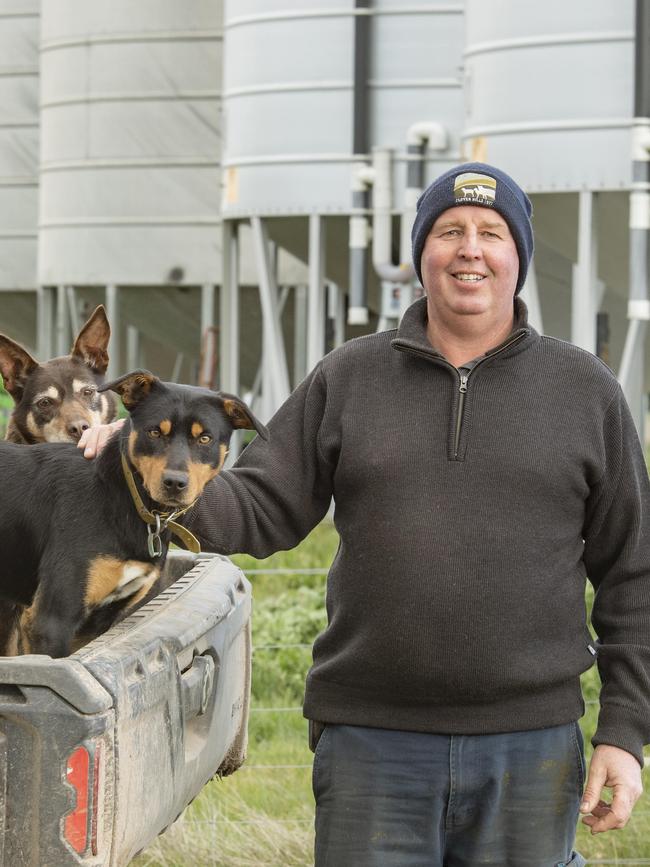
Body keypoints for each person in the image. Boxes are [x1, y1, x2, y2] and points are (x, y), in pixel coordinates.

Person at [81, 163, 650, 867]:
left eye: (492, 234)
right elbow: (262, 502)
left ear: (519, 258)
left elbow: (634, 573)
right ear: (421, 256)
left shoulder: (586, 392)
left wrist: (624, 730)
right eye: (449, 231)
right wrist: (142, 475)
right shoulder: (350, 376)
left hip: (530, 746)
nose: (470, 248)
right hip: (373, 744)